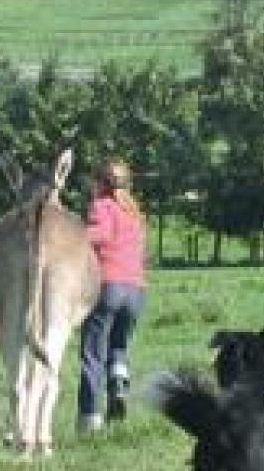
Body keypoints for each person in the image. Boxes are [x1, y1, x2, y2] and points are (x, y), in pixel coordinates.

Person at [77, 159, 146, 433]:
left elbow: (101, 234)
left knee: (93, 353)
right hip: (136, 290)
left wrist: (73, 234)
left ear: (99, 183)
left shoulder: (101, 206)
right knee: (119, 347)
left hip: (107, 285)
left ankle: (90, 418)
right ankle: (118, 385)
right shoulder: (134, 212)